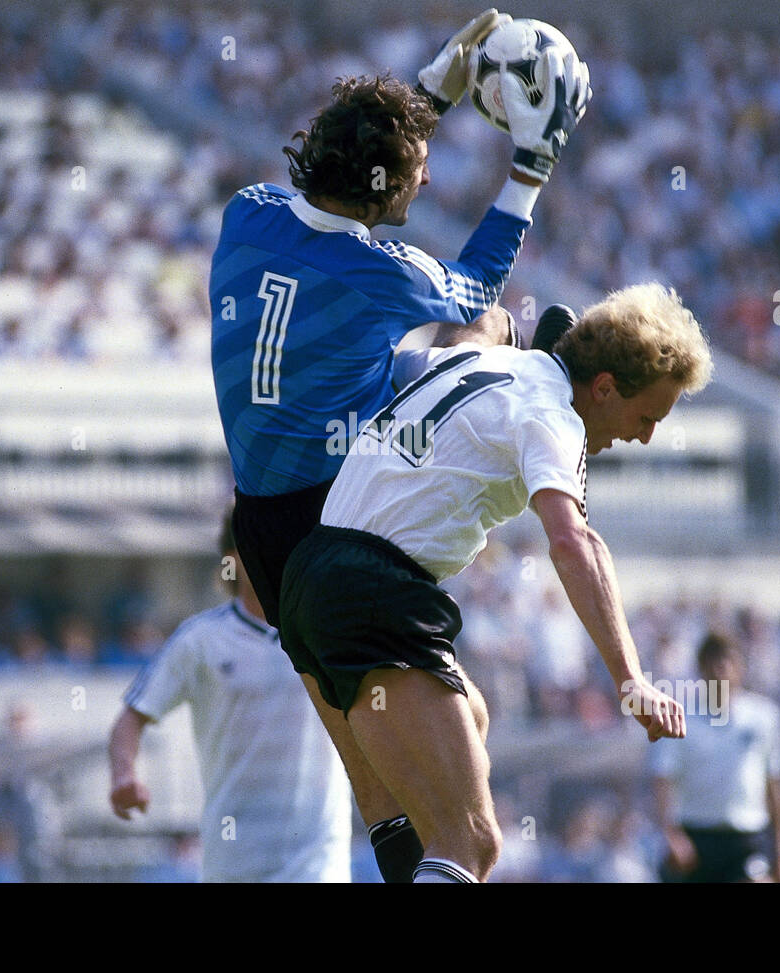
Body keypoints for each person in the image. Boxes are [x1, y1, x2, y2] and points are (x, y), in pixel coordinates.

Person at [208, 10, 590, 882]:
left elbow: (358, 163)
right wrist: (530, 166)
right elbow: (476, 282)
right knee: (486, 329)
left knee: (386, 782)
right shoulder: (384, 273)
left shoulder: (247, 212)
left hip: (260, 527)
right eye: (416, 169)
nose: (425, 178)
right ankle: (538, 374)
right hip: (344, 516)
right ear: (384, 188)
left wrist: (429, 91)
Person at [279, 282, 714, 882]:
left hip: (308, 577)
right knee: (473, 843)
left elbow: (461, 333)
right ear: (604, 387)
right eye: (646, 417)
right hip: (375, 593)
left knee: (449, 759)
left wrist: (501, 321)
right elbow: (574, 542)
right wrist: (630, 679)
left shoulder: (480, 361)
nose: (643, 437)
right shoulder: (554, 414)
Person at [108, 510, 352, 882]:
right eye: (255, 543)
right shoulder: (200, 640)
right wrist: (124, 775)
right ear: (230, 559)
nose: (269, 553)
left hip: (317, 859)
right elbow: (131, 718)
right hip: (234, 860)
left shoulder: (327, 632)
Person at [652, 632, 780, 882]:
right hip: (696, 835)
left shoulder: (764, 716)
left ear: (741, 666)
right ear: (701, 667)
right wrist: (671, 835)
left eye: (728, 660)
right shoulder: (679, 716)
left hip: (747, 836)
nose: (721, 668)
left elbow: (775, 784)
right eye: (713, 660)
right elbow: (663, 780)